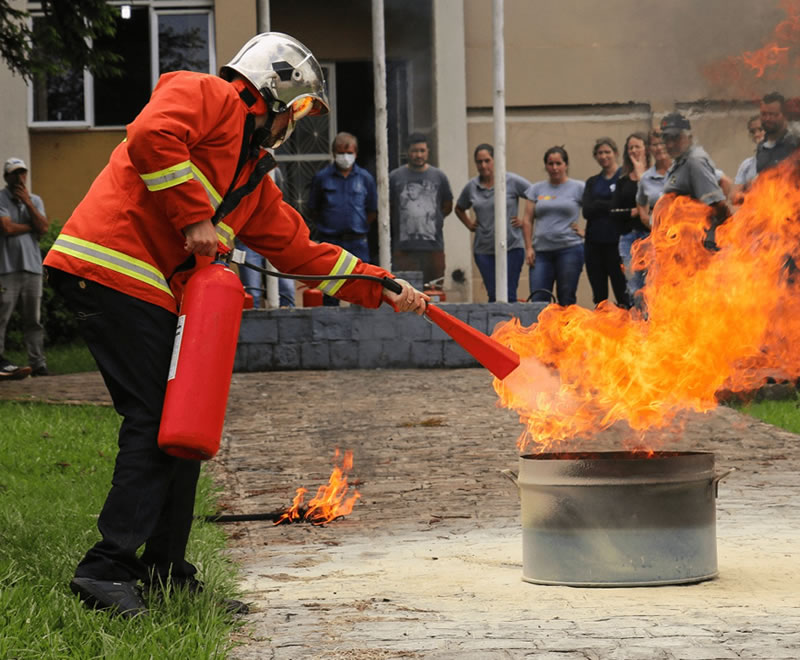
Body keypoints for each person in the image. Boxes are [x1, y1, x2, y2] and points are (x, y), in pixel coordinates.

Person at [43, 32, 427, 619]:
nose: (293, 124)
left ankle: (168, 573)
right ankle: (105, 570)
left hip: (150, 291)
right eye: (297, 110)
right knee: (153, 423)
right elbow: (150, 136)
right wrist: (195, 214)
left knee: (183, 428)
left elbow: (302, 254)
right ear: (274, 92)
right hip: (111, 270)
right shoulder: (209, 95)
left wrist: (382, 285)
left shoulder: (252, 176)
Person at [307, 132, 378, 306]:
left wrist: (357, 226)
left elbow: (372, 211)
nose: (345, 157)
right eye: (340, 153)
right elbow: (313, 209)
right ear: (333, 153)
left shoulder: (365, 178)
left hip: (357, 242)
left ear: (356, 153)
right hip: (331, 242)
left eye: (349, 153)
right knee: (331, 287)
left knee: (361, 287)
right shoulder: (322, 178)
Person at [454, 143, 530, 302]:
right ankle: (496, 327)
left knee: (508, 294)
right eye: (479, 162)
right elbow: (459, 208)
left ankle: (510, 327)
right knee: (493, 295)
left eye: (487, 160)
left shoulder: (511, 180)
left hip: (511, 246)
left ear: (495, 160)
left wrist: (525, 221)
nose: (483, 165)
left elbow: (536, 195)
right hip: (484, 248)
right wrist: (469, 224)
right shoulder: (472, 186)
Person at [0, 157, 49, 379]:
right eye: (14, 173)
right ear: (6, 177)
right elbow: (7, 228)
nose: (19, 177)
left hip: (32, 269)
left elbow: (44, 228)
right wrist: (32, 227)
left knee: (34, 319)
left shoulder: (35, 200)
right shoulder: (1, 198)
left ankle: (38, 364)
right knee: (2, 316)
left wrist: (28, 203)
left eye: (22, 173)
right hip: (7, 269)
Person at [522, 146, 585, 306]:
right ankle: (543, 332)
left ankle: (565, 331)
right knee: (538, 299)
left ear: (566, 165)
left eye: (558, 163)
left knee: (566, 299)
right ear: (546, 166)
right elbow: (527, 220)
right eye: (550, 164)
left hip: (569, 249)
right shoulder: (536, 189)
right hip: (541, 253)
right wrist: (529, 248)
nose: (554, 168)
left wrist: (585, 232)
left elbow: (594, 211)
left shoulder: (579, 188)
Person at [656, 112, 729, 250]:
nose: (670, 144)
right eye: (666, 139)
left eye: (676, 138)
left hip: (698, 248)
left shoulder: (694, 162)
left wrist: (710, 240)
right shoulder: (679, 163)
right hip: (681, 244)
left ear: (688, 137)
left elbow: (718, 205)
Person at [389, 133, 453, 286]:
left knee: (434, 291)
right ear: (407, 152)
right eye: (415, 151)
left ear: (428, 151)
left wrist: (431, 218)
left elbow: (447, 205)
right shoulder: (395, 177)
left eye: (422, 150)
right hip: (404, 247)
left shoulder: (439, 176)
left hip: (433, 246)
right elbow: (388, 208)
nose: (419, 155)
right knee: (405, 292)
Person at [235, 161, 295, 307]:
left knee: (286, 291)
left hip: (274, 237)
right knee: (252, 292)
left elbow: (280, 202)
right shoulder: (237, 172)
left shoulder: (273, 173)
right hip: (247, 239)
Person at [581, 138, 628, 308]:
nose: (603, 156)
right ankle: (601, 328)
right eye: (600, 153)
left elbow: (625, 207)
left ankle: (626, 329)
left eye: (607, 152)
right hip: (594, 244)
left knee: (622, 292)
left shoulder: (624, 177)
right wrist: (610, 205)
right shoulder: (592, 182)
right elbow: (586, 211)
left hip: (617, 243)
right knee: (599, 296)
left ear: (615, 153)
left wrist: (599, 204)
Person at [611, 132, 652, 304]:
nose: (634, 151)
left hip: (649, 236)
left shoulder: (654, 176)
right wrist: (633, 211)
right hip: (628, 237)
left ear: (646, 149)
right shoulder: (623, 181)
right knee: (633, 284)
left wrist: (642, 175)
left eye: (637, 147)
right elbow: (614, 212)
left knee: (651, 283)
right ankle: (636, 321)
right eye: (630, 148)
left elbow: (654, 202)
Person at [756, 91, 800, 175]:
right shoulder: (761, 147)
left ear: (784, 115)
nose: (768, 119)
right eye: (764, 114)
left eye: (773, 114)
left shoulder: (795, 143)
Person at [731, 115, 764, 204]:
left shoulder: (785, 161)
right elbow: (734, 197)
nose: (756, 134)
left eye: (760, 129)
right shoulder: (747, 165)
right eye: (753, 132)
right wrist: (750, 192)